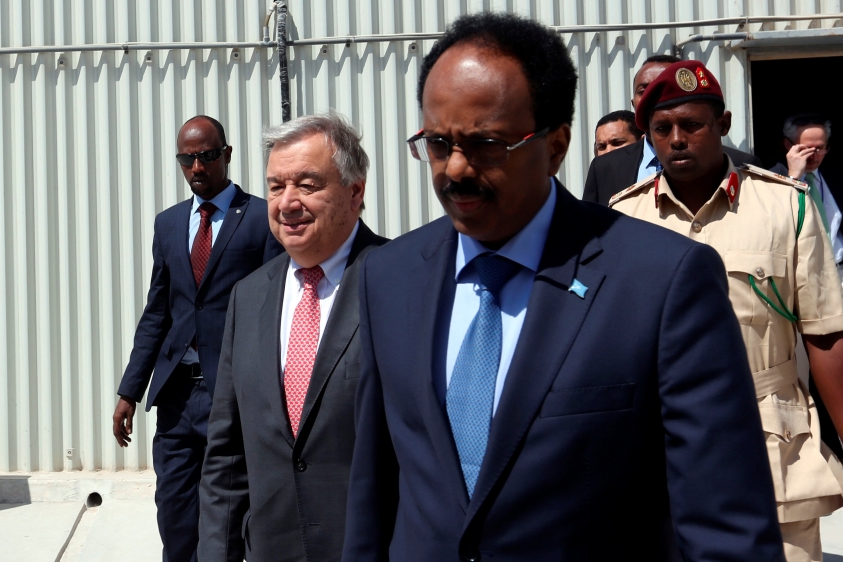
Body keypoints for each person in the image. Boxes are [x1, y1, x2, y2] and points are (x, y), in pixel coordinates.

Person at [342, 13, 782, 561]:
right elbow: (374, 492)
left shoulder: (662, 281)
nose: (454, 169)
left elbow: (727, 526)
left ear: (555, 146)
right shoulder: (389, 277)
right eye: (437, 143)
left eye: (486, 144)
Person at [610, 61, 843, 562]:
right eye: (661, 129)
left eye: (691, 125)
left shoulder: (787, 207)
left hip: (772, 450)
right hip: (663, 449)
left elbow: (825, 334)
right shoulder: (623, 218)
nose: (676, 139)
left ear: (723, 124)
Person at [197, 113, 387, 562]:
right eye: (276, 186)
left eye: (307, 184)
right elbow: (226, 455)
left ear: (355, 191)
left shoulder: (403, 282)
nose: (287, 203)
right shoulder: (248, 297)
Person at [112, 115, 282, 562]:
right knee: (174, 511)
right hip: (176, 396)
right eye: (187, 160)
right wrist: (130, 391)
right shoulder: (168, 224)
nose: (197, 168)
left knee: (223, 518)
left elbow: (274, 311)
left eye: (207, 156)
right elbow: (158, 312)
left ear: (227, 154)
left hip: (231, 393)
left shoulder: (261, 219)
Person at [582, 54, 762, 205]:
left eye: (666, 88)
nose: (655, 99)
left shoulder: (742, 164)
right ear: (633, 103)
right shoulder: (604, 168)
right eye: (644, 91)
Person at [771, 114, 842, 282]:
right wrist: (793, 178)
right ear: (788, 145)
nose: (814, 156)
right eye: (806, 149)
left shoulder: (835, 176)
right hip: (800, 277)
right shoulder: (771, 179)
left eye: (820, 148)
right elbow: (777, 222)